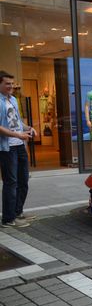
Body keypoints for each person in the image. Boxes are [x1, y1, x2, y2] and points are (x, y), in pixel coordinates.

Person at [0, 71, 37, 228]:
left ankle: (18, 212)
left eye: (12, 84)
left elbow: (18, 122)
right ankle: (8, 219)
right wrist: (18, 135)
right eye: (7, 83)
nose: (11, 86)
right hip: (7, 147)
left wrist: (29, 128)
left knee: (24, 180)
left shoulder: (13, 99)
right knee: (11, 182)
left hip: (20, 145)